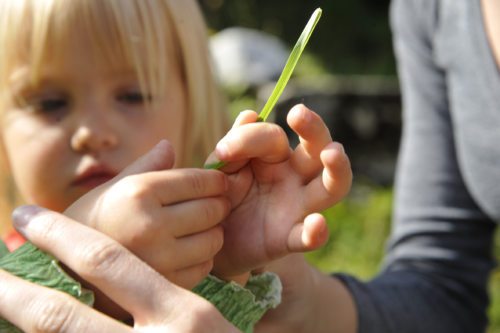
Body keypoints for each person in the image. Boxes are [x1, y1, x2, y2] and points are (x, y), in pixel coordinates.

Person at [0, 0, 352, 329]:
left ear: (192, 105)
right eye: (49, 103)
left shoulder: (222, 259)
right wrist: (63, 271)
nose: (93, 132)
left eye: (133, 95)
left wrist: (220, 276)